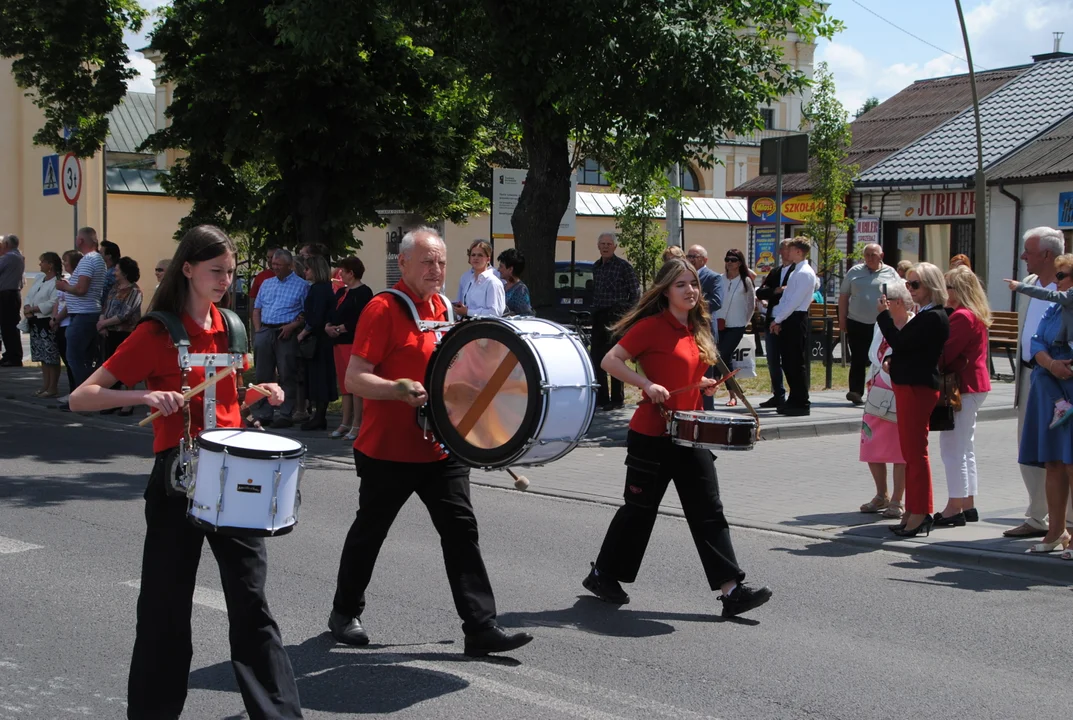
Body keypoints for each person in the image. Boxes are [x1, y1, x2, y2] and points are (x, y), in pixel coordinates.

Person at [68, 225, 302, 720]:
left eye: (231, 272)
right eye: (215, 271)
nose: (224, 280)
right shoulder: (157, 332)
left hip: (235, 481)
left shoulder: (234, 328)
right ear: (189, 269)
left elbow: (228, 402)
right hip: (178, 481)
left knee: (252, 608)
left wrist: (256, 394)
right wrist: (143, 395)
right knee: (164, 609)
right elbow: (81, 397)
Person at [328, 227, 534, 657]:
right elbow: (353, 378)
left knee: (461, 531)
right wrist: (398, 389)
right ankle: (344, 613)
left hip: (440, 448)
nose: (436, 269)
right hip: (388, 449)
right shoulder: (382, 309)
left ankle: (480, 626)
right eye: (426, 261)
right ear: (402, 264)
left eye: (441, 261)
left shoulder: (443, 306)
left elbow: (452, 371)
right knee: (371, 531)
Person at [582, 258, 772, 618]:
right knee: (639, 512)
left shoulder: (697, 329)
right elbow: (611, 361)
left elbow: (686, 371)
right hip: (651, 434)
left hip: (690, 432)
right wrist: (646, 383)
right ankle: (602, 574)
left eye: (694, 284)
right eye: (681, 284)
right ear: (666, 290)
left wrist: (702, 383)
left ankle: (731, 591)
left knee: (709, 511)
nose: (690, 291)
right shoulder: (651, 327)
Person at [1006, 227, 1073, 539]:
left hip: (1062, 380)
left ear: (1047, 254)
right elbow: (1032, 336)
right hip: (1033, 375)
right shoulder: (1031, 284)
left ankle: (1067, 523)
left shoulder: (1062, 291)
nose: (1023, 257)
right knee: (1032, 447)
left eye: (1028, 252)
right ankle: (1037, 516)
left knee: (1064, 453)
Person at [876, 262, 950, 537]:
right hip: (910, 385)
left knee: (915, 454)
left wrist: (883, 316)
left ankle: (919, 513)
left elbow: (902, 341)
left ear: (931, 286)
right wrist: (894, 360)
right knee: (910, 453)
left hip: (917, 389)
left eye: (915, 284)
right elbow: (909, 348)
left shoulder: (934, 316)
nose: (910, 290)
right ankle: (914, 511)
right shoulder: (926, 314)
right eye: (908, 284)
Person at [934, 266, 992, 527]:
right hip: (974, 385)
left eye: (948, 286)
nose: (944, 291)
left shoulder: (962, 317)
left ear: (958, 290)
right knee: (964, 446)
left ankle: (954, 506)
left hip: (964, 387)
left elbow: (944, 353)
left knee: (952, 448)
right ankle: (967, 503)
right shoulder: (974, 314)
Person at [858, 281, 913, 519]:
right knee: (872, 445)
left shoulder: (912, 323)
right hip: (877, 390)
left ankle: (897, 500)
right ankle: (881, 495)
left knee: (900, 449)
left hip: (899, 391)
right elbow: (874, 354)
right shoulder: (882, 323)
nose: (880, 303)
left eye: (884, 299)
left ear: (896, 302)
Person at [251, 249, 308, 428]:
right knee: (262, 374)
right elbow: (257, 308)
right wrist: (259, 329)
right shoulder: (266, 283)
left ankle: (285, 412)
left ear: (290, 266)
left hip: (285, 332)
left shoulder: (302, 285)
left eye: (278, 265)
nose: (274, 267)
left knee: (287, 373)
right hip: (266, 330)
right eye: (273, 264)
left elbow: (306, 312)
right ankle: (263, 412)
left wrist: (294, 326)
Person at [839, 243, 900, 406]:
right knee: (858, 357)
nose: (869, 258)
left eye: (873, 255)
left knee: (880, 357)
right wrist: (842, 319)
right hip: (856, 321)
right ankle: (855, 391)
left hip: (881, 324)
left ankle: (880, 391)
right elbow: (844, 296)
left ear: (881, 256)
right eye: (867, 255)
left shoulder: (891, 273)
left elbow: (899, 294)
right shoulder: (854, 272)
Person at [54, 227, 108, 403]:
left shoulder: (87, 260)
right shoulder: (98, 259)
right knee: (84, 358)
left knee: (74, 357)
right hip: (89, 312)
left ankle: (84, 398)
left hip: (83, 314)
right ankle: (85, 396)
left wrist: (64, 287)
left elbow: (81, 289)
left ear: (80, 241)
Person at [591, 233, 640, 411]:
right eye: (602, 243)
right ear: (598, 246)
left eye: (609, 244)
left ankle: (617, 399)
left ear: (615, 247)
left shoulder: (623, 267)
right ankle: (602, 398)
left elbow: (636, 293)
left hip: (616, 317)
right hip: (599, 315)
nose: (605, 247)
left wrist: (626, 313)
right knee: (596, 357)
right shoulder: (596, 267)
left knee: (615, 357)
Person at [769, 238, 817, 416]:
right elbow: (786, 299)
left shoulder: (805, 272)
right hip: (789, 317)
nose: (786, 252)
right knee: (788, 362)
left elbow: (795, 301)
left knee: (795, 362)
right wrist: (779, 318)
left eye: (791, 249)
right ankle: (794, 398)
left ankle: (801, 401)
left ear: (799, 252)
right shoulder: (796, 271)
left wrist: (778, 319)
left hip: (796, 318)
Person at [327, 256, 373, 440]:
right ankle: (344, 423)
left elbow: (362, 318)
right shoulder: (341, 292)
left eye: (343, 272)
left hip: (353, 342)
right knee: (345, 386)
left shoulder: (364, 292)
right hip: (338, 342)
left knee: (355, 386)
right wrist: (328, 326)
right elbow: (332, 312)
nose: (340, 275)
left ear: (351, 273)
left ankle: (357, 424)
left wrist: (341, 328)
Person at [296, 255, 338, 431]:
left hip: (319, 340)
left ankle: (319, 416)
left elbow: (317, 316)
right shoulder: (324, 288)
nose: (305, 272)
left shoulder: (319, 290)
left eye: (307, 269)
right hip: (322, 339)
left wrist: (304, 332)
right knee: (318, 377)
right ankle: (318, 415)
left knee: (319, 377)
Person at [755, 238, 795, 409]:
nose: (788, 251)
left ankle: (794, 395)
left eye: (790, 248)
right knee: (772, 359)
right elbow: (761, 292)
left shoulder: (798, 271)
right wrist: (776, 290)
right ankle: (778, 394)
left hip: (789, 321)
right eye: (785, 248)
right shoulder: (775, 272)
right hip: (772, 319)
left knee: (789, 360)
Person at [713, 248, 755, 408]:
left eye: (733, 260)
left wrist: (745, 322)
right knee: (725, 359)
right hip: (719, 323)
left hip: (737, 325)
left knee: (720, 355)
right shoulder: (720, 279)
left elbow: (751, 304)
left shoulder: (746, 281)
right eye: (727, 259)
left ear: (739, 263)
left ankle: (712, 387)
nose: (729, 262)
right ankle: (734, 395)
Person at [685, 245, 725, 410]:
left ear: (705, 260)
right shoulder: (685, 277)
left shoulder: (714, 277)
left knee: (706, 375)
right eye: (689, 256)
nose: (691, 259)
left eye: (695, 256)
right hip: (687, 330)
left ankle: (707, 411)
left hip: (704, 332)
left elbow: (716, 302)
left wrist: (692, 305)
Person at [23, 252, 62, 395]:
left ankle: (53, 387)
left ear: (50, 265)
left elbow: (53, 301)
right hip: (35, 321)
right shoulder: (40, 279)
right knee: (42, 356)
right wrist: (27, 307)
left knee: (51, 355)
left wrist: (34, 308)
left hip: (46, 321)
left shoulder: (57, 281)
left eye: (42, 262)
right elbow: (29, 295)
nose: (40, 264)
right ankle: (45, 385)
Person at [51, 250, 82, 400]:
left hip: (68, 322)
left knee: (72, 360)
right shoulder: (66, 280)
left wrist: (57, 319)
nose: (63, 264)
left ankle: (76, 392)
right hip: (60, 323)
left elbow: (70, 304)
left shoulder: (75, 280)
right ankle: (72, 390)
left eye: (66, 261)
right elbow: (58, 300)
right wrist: (54, 318)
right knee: (66, 358)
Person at [454, 239, 505, 317]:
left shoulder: (493, 282)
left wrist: (468, 312)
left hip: (485, 327)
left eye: (480, 255)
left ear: (488, 259)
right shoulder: (470, 281)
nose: (476, 258)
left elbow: (495, 313)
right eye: (473, 255)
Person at [0, 234, 26, 366]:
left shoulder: (9, 257)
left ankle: (13, 356)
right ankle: (11, 355)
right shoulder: (19, 256)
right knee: (9, 326)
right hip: (12, 294)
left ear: (6, 245)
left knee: (8, 327)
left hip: (7, 295)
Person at [497, 247, 532, 316]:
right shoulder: (502, 285)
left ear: (510, 269)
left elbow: (526, 315)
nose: (498, 269)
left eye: (501, 266)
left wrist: (511, 315)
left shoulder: (520, 290)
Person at [99, 240, 121, 309]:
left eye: (101, 253)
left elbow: (102, 295)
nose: (99, 255)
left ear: (108, 256)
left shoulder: (111, 274)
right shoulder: (107, 271)